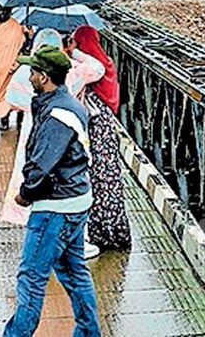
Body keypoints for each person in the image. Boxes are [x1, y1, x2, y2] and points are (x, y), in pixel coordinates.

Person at [5, 45, 100, 337]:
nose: (29, 74)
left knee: (31, 278)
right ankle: (88, 332)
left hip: (55, 209)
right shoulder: (66, 103)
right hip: (76, 201)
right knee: (74, 273)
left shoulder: (57, 113)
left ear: (44, 77)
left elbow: (42, 164)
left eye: (33, 71)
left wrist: (24, 193)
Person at [0, 30, 102, 229]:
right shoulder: (72, 72)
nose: (31, 77)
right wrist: (74, 53)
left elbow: (11, 98)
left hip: (33, 126)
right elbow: (98, 69)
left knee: (33, 162)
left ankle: (28, 208)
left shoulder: (26, 73)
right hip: (72, 135)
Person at [72, 25, 131, 252]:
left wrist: (73, 54)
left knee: (95, 179)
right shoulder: (105, 61)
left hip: (95, 132)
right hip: (107, 128)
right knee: (109, 180)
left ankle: (99, 231)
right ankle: (113, 230)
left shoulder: (90, 68)